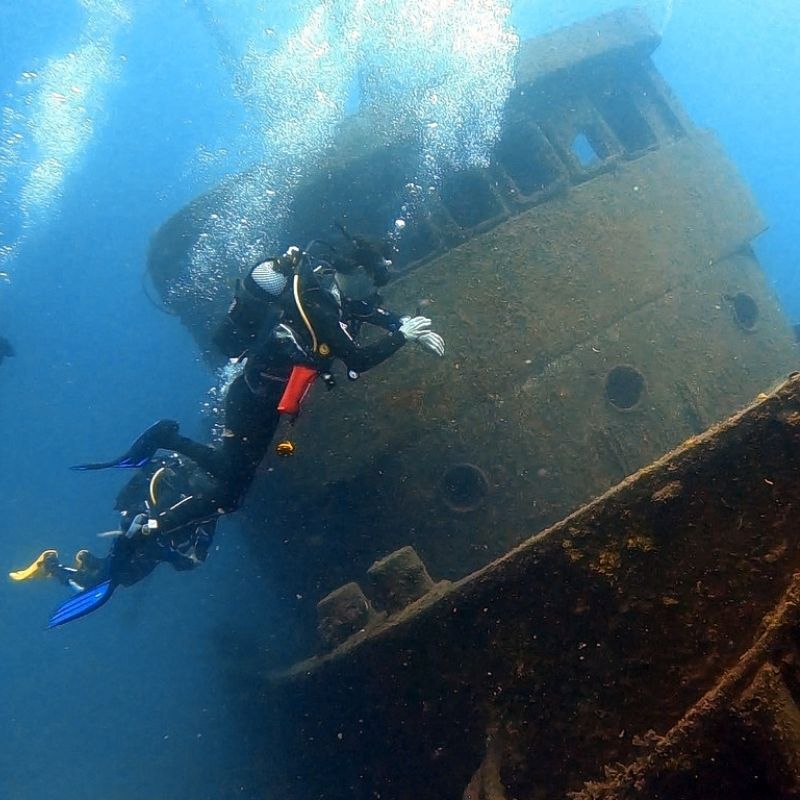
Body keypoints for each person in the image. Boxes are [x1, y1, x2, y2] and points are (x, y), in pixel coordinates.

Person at [10, 232, 445, 627]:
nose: (378, 287)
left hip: (262, 400)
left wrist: (398, 324)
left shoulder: (331, 288)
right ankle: (151, 526)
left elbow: (369, 310)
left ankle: (166, 444)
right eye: (377, 278)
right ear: (360, 272)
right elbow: (356, 358)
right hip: (251, 402)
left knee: (230, 477)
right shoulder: (317, 302)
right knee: (230, 492)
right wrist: (402, 336)